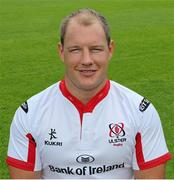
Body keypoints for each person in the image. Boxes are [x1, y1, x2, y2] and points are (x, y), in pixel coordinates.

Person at [6, 8, 172, 179]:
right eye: (76, 49)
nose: (86, 60)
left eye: (95, 49)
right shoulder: (30, 114)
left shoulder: (140, 111)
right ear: (61, 51)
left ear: (110, 49)